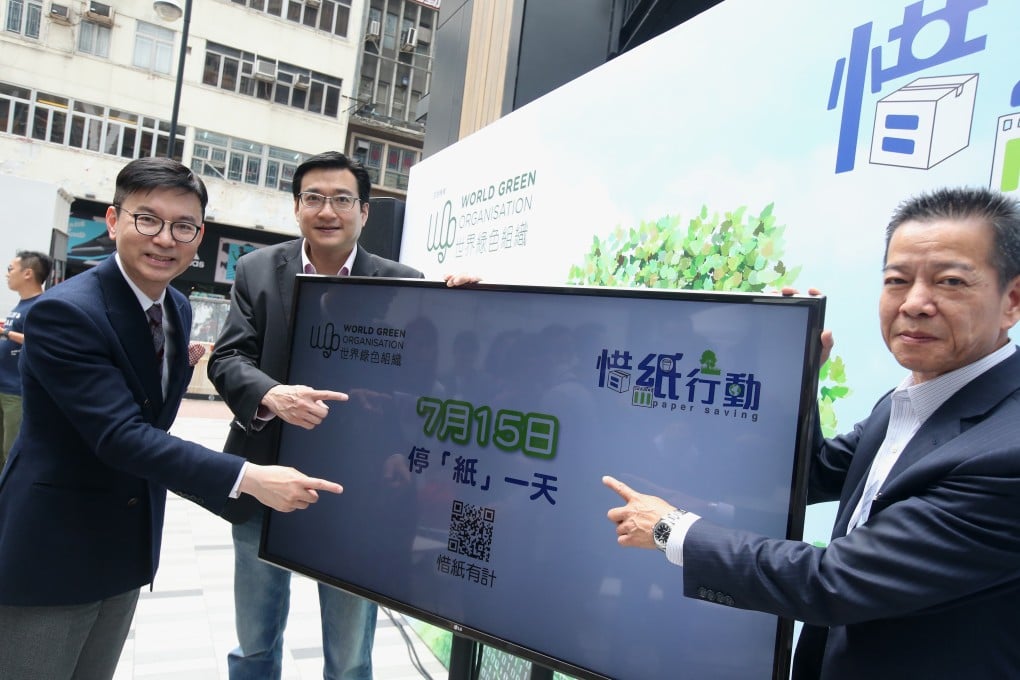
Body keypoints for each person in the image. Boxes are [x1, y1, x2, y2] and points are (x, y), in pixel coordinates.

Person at [605, 186, 1020, 679]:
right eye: (897, 280)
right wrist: (791, 378)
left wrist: (670, 528)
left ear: (1011, 300)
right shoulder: (909, 401)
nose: (915, 303)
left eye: (950, 282)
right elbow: (815, 474)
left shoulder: (1005, 452)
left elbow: (835, 581)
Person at [0, 157, 343, 680]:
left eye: (183, 226)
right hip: (53, 548)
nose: (165, 239)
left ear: (199, 236)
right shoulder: (68, 312)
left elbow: (149, 423)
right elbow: (120, 436)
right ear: (114, 221)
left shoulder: (176, 309)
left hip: (126, 546)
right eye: (148, 220)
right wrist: (247, 478)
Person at [210, 150, 468, 680]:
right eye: (314, 198)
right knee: (253, 643)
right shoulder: (258, 270)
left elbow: (423, 386)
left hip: (359, 490)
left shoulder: (404, 283)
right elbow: (228, 357)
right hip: (266, 474)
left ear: (365, 211)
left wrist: (464, 306)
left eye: (342, 199)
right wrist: (273, 395)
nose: (328, 210)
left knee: (350, 655)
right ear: (297, 207)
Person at [0, 250, 51, 468]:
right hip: (5, 388)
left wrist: (6, 334)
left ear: (28, 273)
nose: (7, 274)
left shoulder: (42, 305)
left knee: (11, 451)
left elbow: (42, 341)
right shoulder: (21, 305)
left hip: (17, 391)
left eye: (11, 269)